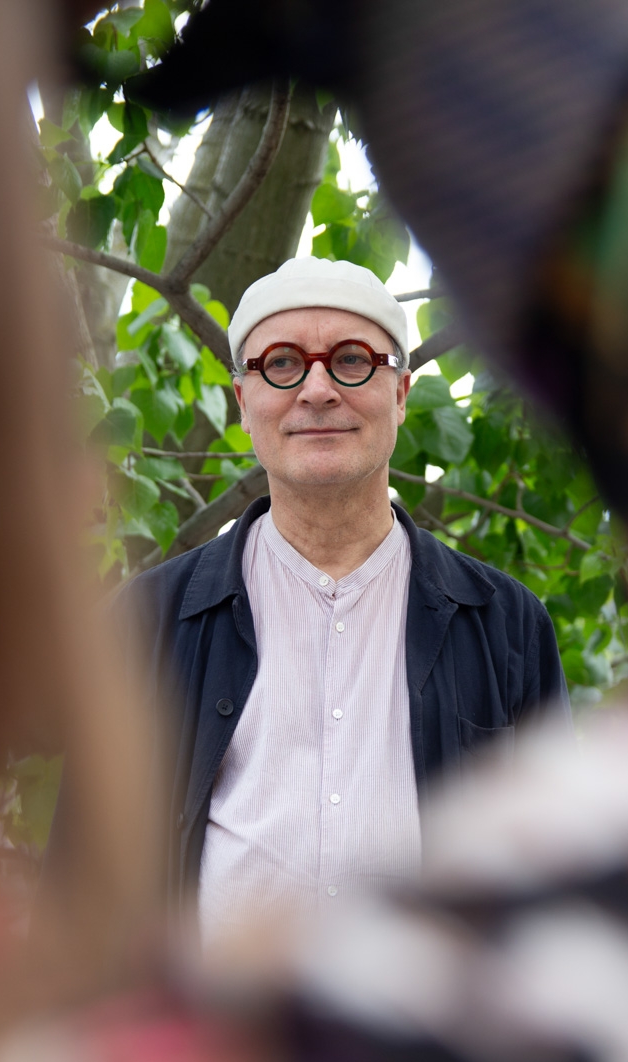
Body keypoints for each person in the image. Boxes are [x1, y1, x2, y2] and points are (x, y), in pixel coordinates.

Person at [116, 257, 570, 943]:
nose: (318, 390)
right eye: (281, 363)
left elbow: (555, 881)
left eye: (352, 360)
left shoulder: (506, 625)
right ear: (242, 401)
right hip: (211, 1011)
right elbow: (86, 881)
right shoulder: (147, 620)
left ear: (401, 394)